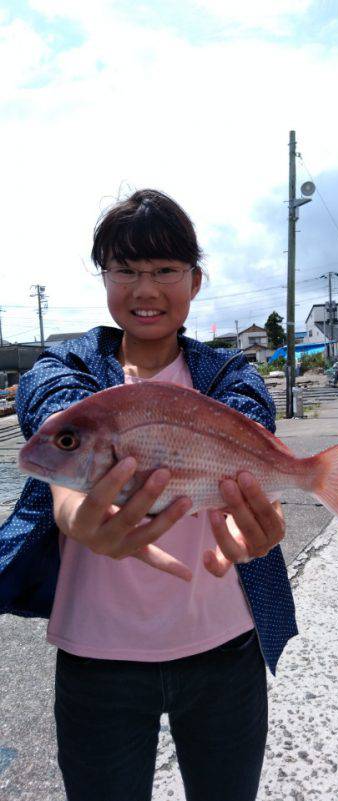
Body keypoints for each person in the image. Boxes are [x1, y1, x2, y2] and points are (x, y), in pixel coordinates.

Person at [0, 189, 298, 801]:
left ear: (195, 280)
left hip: (225, 650)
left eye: (164, 271)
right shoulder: (76, 366)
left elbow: (250, 422)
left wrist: (252, 519)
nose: (145, 290)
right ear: (104, 277)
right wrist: (73, 511)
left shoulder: (228, 376)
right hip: (96, 660)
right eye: (126, 271)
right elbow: (53, 408)